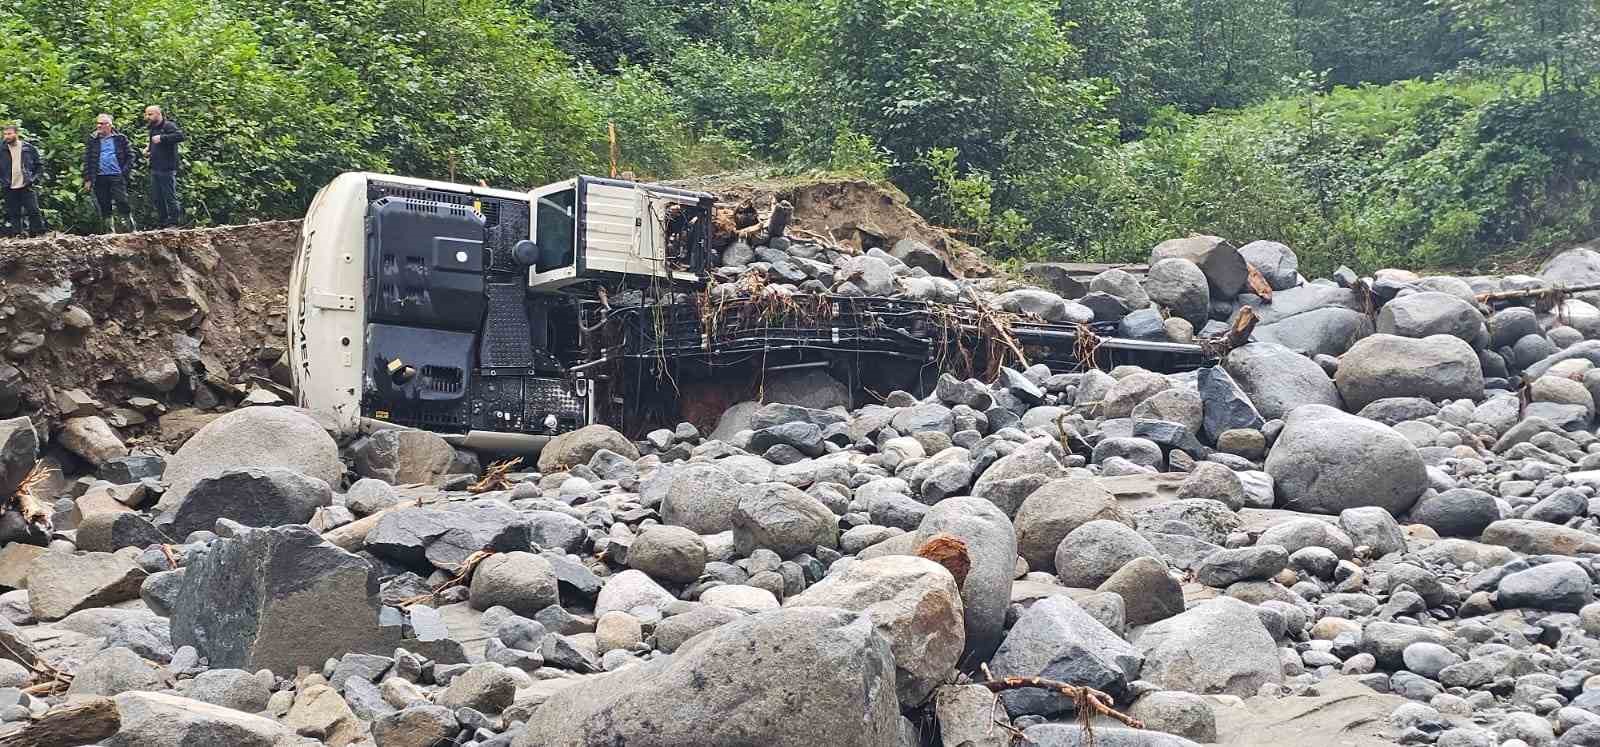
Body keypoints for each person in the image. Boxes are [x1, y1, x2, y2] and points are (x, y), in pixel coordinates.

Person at [82, 114, 137, 233]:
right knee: (103, 203)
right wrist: (88, 179)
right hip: (99, 176)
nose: (99, 126)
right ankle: (109, 231)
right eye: (98, 123)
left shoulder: (120, 138)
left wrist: (125, 171)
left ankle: (130, 228)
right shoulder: (93, 140)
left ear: (109, 125)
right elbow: (88, 160)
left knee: (121, 200)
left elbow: (131, 156)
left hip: (117, 175)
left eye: (102, 124)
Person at [0, 125, 46, 237]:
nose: (7, 136)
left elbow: (39, 165)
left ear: (17, 133)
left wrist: (33, 179)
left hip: (26, 184)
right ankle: (17, 234)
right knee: (14, 212)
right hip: (9, 185)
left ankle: (38, 233)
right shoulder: (1, 149)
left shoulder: (28, 148)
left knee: (33, 210)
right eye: (5, 134)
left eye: (9, 134)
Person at [143, 105, 186, 227]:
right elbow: (154, 145)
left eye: (150, 114)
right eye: (146, 114)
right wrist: (148, 151)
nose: (147, 117)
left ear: (158, 114)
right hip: (155, 167)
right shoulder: (152, 128)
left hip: (167, 168)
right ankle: (162, 222)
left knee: (169, 196)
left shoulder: (168, 125)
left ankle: (174, 222)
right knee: (158, 198)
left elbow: (180, 136)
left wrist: (162, 138)